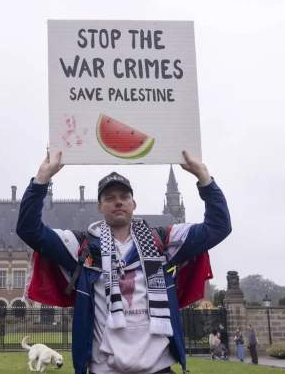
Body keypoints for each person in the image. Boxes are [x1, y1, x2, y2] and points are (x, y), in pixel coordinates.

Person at [16, 150, 232, 374]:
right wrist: (41, 180)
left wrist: (204, 178)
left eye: (124, 197)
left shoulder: (163, 241)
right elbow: (29, 229)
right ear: (99, 207)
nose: (118, 202)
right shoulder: (82, 247)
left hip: (158, 368)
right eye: (109, 198)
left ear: (133, 203)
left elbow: (218, 227)